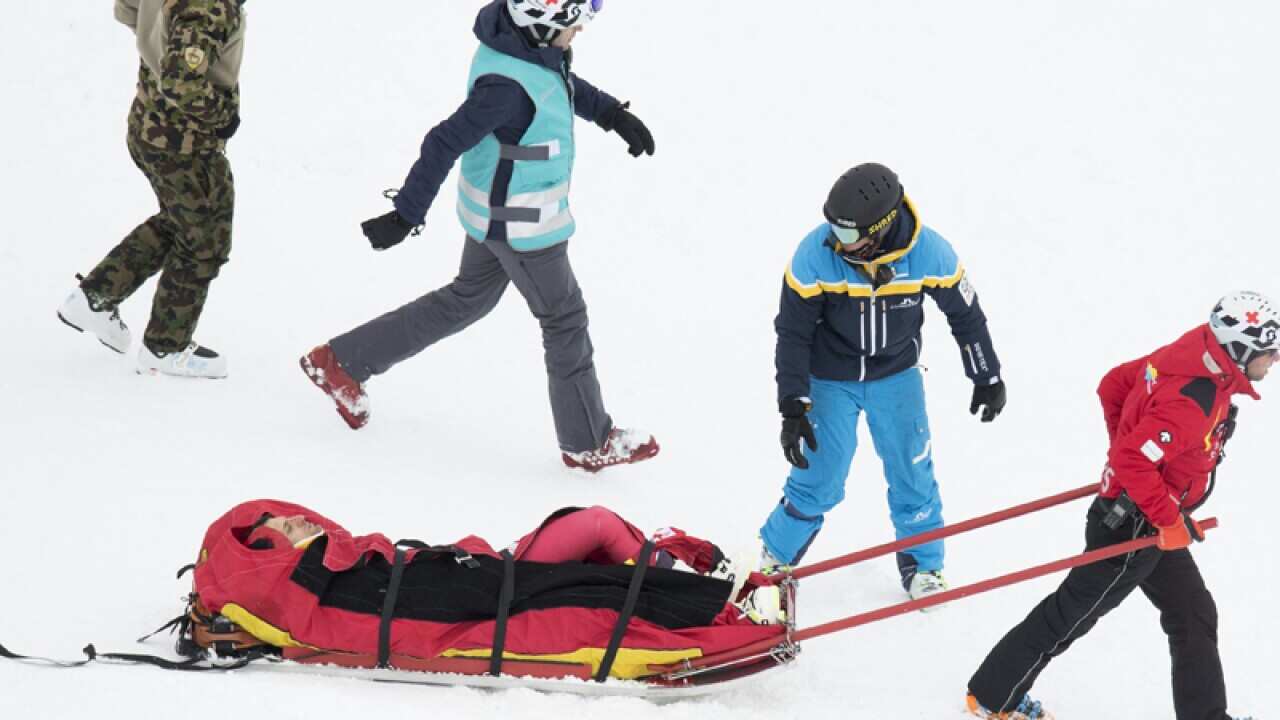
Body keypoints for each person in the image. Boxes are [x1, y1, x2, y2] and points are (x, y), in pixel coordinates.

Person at [299, 0, 658, 473]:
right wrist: (405, 214)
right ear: (544, 26)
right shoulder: (505, 89)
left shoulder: (520, 50)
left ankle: (341, 361)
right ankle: (587, 440)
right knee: (564, 319)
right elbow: (443, 141)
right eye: (575, 25)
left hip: (495, 214)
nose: (580, 34)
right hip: (523, 227)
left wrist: (611, 114)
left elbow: (559, 84)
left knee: (465, 300)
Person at [964, 291, 1276, 720]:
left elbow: (1115, 385)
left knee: (1192, 611)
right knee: (1071, 615)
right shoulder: (1195, 403)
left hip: (1149, 514)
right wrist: (1154, 499)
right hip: (1133, 527)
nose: (1274, 361)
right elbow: (1131, 454)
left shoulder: (1191, 352)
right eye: (1268, 352)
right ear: (1239, 350)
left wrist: (1141, 471)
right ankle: (992, 697)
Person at [758, 163, 1006, 601]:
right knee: (819, 476)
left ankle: (924, 566)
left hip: (896, 377)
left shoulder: (930, 253)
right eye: (834, 228)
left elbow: (965, 314)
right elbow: (792, 332)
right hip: (829, 378)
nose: (837, 241)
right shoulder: (814, 254)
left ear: (882, 226)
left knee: (912, 472)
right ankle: (776, 556)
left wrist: (986, 375)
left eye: (849, 235)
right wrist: (793, 405)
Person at [191, 501, 785, 679]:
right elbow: (283, 615)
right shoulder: (306, 592)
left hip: (482, 574)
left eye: (296, 518)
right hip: (479, 600)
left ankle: (708, 589)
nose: (307, 524)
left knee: (594, 534)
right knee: (598, 581)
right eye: (291, 529)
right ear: (275, 559)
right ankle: (721, 608)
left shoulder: (341, 566)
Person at [57, 0, 245, 379]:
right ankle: (166, 346)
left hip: (149, 123)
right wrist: (223, 116)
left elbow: (128, 9)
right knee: (206, 239)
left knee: (183, 220)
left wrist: (159, 43)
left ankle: (95, 297)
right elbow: (182, 81)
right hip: (183, 142)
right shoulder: (209, 6)